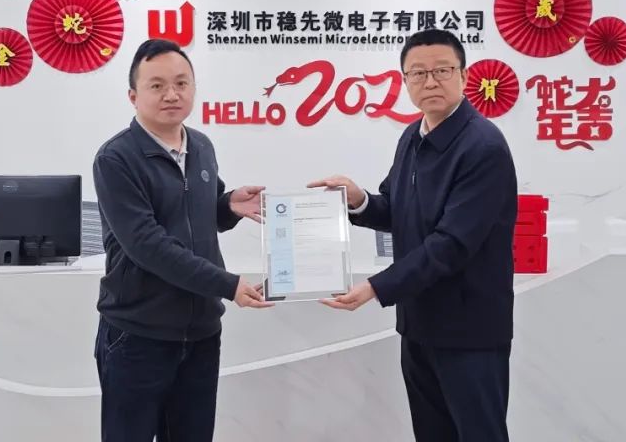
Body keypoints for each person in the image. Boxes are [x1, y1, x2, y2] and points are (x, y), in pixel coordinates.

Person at [309, 28, 518, 442]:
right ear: (405, 81)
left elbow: (451, 244)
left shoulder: (483, 147)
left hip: (469, 330)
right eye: (418, 73)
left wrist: (375, 287)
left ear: (464, 75)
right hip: (419, 324)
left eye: (442, 70)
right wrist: (357, 199)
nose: (430, 81)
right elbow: (397, 209)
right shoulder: (412, 136)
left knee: (479, 434)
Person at [92, 38, 273, 442]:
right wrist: (228, 284)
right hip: (138, 334)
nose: (171, 94)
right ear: (133, 96)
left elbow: (198, 217)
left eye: (181, 83)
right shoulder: (116, 158)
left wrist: (228, 205)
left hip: (201, 333)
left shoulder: (201, 146)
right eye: (157, 85)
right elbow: (147, 245)